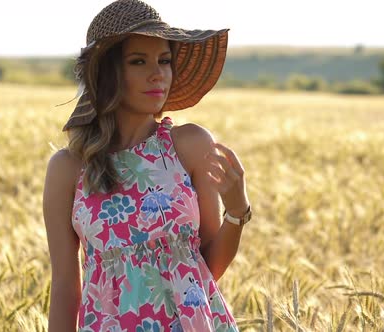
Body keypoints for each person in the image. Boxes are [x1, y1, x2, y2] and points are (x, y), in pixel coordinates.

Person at [43, 0, 252, 330]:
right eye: (138, 61)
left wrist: (237, 212)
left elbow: (206, 265)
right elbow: (66, 288)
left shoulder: (190, 145)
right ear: (107, 73)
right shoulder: (68, 169)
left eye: (164, 60)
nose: (158, 74)